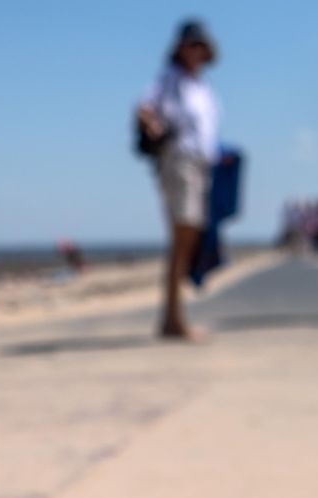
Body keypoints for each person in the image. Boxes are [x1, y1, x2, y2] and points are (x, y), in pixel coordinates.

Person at [136, 19, 219, 340]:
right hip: (178, 160)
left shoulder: (202, 86)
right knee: (181, 236)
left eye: (199, 46)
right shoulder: (170, 79)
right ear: (180, 48)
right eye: (190, 45)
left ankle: (173, 315)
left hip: (201, 163)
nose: (195, 51)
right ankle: (172, 319)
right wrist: (154, 127)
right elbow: (143, 107)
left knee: (188, 237)